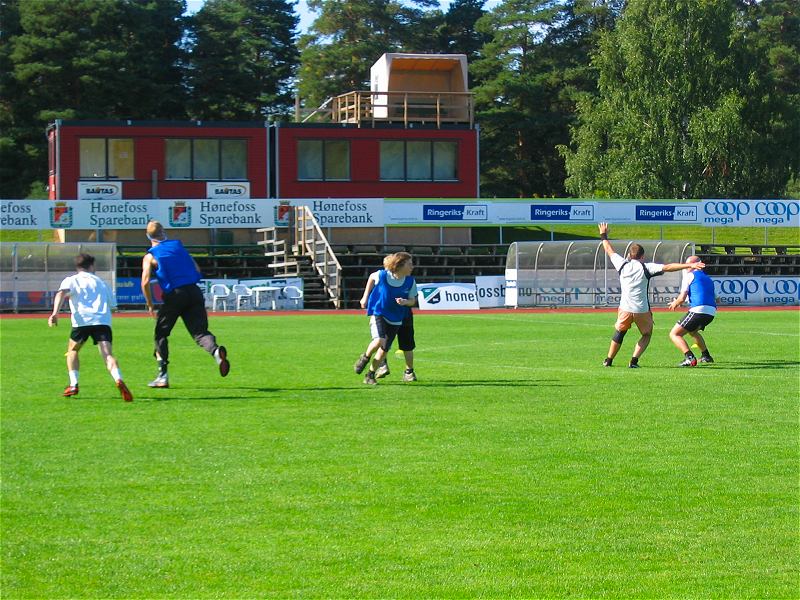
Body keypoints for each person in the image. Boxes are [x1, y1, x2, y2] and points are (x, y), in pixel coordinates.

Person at [598, 222, 704, 368]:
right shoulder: (646, 267)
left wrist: (603, 235)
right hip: (642, 309)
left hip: (625, 308)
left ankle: (608, 360)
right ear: (642, 256)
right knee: (646, 335)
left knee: (620, 332)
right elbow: (668, 267)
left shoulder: (622, 264)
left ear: (629, 255)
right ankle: (634, 361)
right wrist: (689, 265)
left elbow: (609, 250)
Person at [141, 220, 229, 388]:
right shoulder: (178, 247)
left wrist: (150, 304)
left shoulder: (150, 255)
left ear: (148, 236)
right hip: (194, 291)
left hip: (175, 294)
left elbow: (145, 282)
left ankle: (162, 376)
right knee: (200, 332)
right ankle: (216, 352)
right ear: (164, 233)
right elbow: (196, 268)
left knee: (161, 334)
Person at [48, 253, 133, 401]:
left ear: (78, 266)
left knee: (73, 351)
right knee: (107, 355)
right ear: (92, 266)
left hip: (82, 322)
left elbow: (61, 294)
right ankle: (118, 379)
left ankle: (74, 384)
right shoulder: (101, 282)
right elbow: (113, 306)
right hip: (102, 321)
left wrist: (55, 313)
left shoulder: (71, 280)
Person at [353, 252, 417, 385]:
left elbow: (412, 300)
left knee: (383, 351)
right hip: (379, 313)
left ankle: (370, 374)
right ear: (400, 265)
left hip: (397, 318)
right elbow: (371, 277)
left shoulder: (410, 281)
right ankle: (365, 357)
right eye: (409, 264)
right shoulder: (383, 275)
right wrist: (365, 296)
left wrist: (406, 302)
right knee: (379, 340)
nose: (412, 267)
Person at [667, 255, 716, 367]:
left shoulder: (690, 276)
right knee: (692, 331)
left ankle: (689, 358)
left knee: (674, 334)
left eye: (688, 264)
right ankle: (706, 356)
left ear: (695, 265)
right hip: (711, 312)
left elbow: (682, 298)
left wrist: (676, 303)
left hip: (699, 310)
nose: (686, 267)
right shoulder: (708, 278)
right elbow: (715, 297)